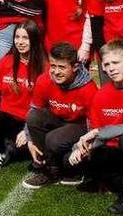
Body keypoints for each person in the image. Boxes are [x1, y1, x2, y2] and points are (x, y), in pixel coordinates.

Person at [69, 39, 123, 215]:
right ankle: (114, 182)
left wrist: (98, 132)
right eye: (107, 64)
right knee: (71, 158)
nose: (111, 68)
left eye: (116, 63)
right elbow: (96, 135)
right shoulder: (101, 94)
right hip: (112, 152)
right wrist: (79, 149)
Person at [22, 41, 98, 188]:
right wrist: (29, 139)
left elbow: (94, 126)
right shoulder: (44, 80)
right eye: (53, 66)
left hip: (80, 126)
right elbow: (33, 110)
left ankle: (73, 168)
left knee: (55, 142)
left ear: (75, 67)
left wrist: (80, 148)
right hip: (57, 121)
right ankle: (49, 169)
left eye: (62, 67)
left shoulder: (89, 89)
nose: (56, 72)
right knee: (34, 117)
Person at [0, 20, 46, 171]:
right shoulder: (6, 61)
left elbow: (45, 106)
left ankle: (12, 147)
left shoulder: (44, 66)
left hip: (30, 121)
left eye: (25, 38)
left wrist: (27, 131)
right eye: (17, 37)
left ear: (34, 39)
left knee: (24, 149)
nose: (20, 42)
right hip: (7, 118)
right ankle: (0, 151)